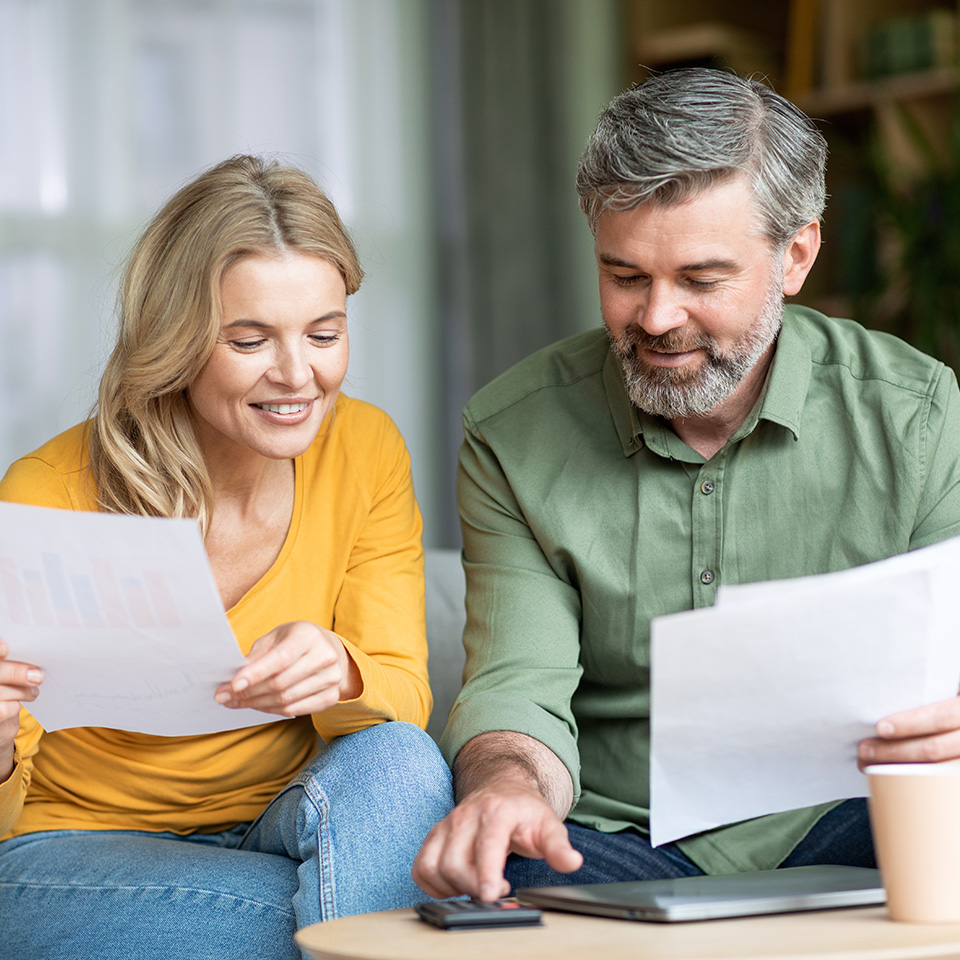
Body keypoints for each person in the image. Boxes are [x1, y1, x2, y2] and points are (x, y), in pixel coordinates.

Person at [412, 68, 960, 902]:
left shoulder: (916, 417)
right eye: (626, 276)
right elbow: (516, 691)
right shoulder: (512, 436)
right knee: (514, 874)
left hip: (855, 813)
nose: (658, 318)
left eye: (702, 279)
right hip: (622, 833)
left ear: (796, 255)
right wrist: (507, 790)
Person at [0, 155, 453, 960]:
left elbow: (402, 697)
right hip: (73, 850)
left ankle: (365, 921)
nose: (297, 375)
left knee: (401, 758)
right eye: (249, 340)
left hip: (281, 825)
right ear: (176, 343)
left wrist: (344, 673)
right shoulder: (47, 491)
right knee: (376, 921)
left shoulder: (367, 448)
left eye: (324, 333)